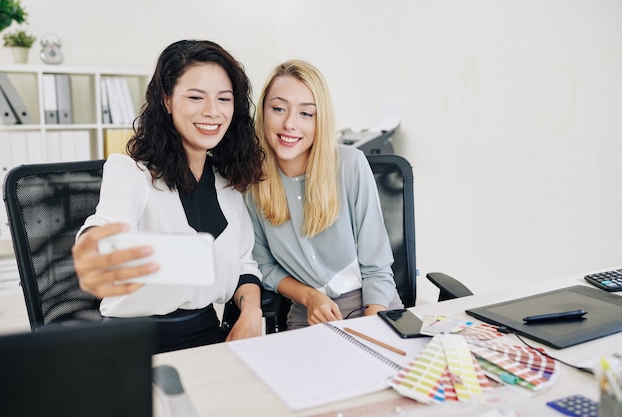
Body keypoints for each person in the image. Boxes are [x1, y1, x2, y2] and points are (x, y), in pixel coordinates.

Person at [71, 40, 265, 353]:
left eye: (224, 99)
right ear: (167, 101)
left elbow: (245, 265)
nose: (212, 111)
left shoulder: (227, 184)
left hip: (206, 336)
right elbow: (106, 224)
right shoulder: (130, 173)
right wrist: (95, 249)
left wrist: (251, 313)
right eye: (195, 97)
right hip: (132, 345)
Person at [245, 60, 403, 330]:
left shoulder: (351, 165)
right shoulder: (251, 184)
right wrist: (310, 296)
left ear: (321, 120)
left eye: (306, 113)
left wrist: (373, 326)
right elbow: (265, 265)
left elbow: (377, 268)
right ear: (263, 113)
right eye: (279, 108)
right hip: (307, 311)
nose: (290, 124)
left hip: (372, 304)